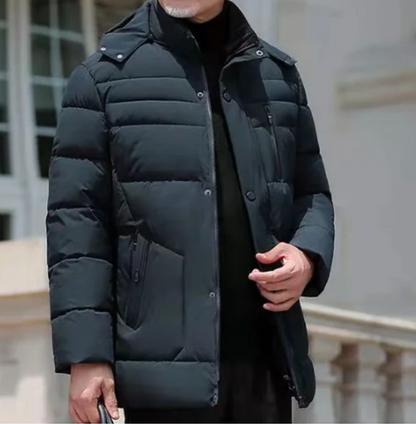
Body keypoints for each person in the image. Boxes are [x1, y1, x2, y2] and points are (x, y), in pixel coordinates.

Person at [46, 0, 335, 422]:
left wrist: (307, 256)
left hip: (264, 367)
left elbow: (311, 194)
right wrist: (86, 356)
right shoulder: (103, 78)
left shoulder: (277, 77)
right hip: (161, 380)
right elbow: (76, 226)